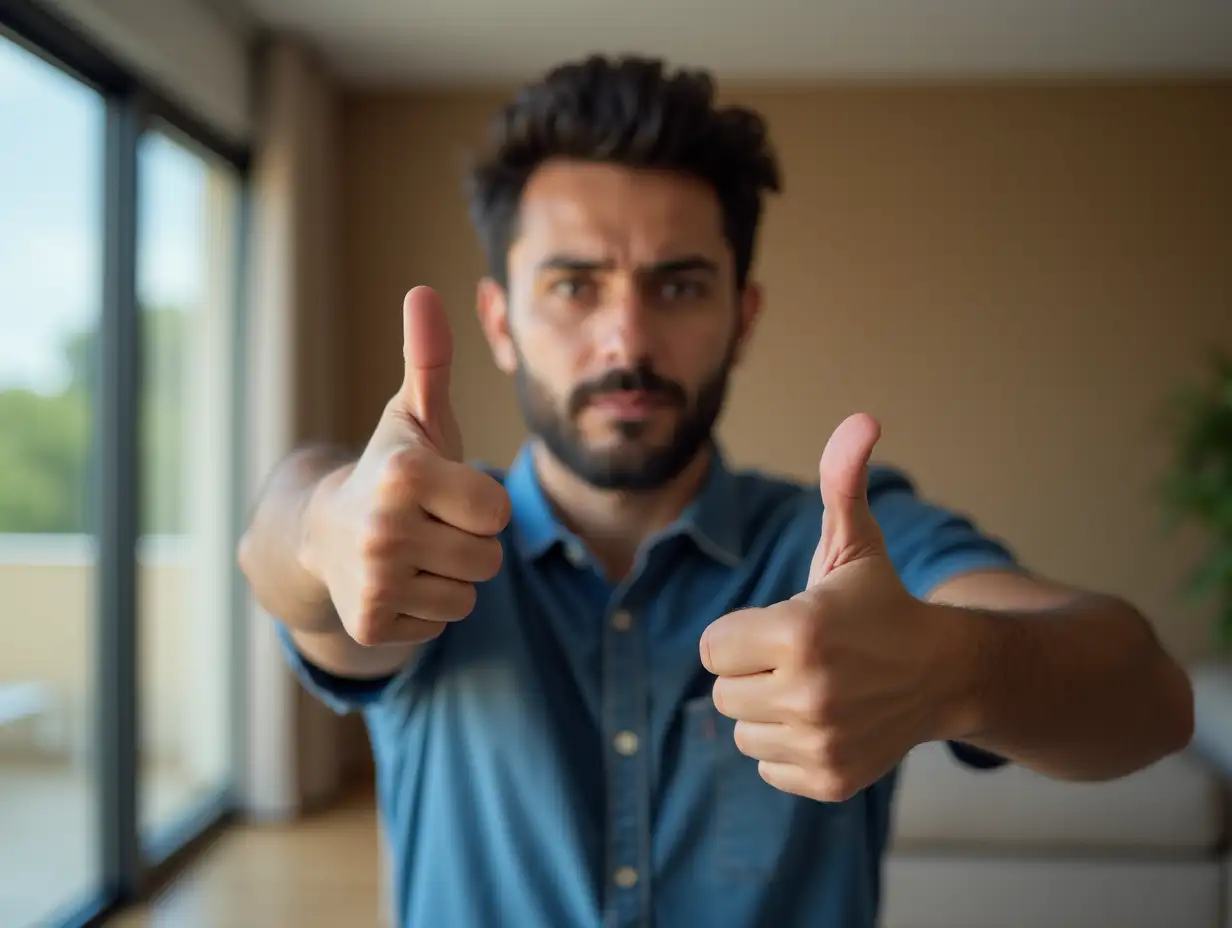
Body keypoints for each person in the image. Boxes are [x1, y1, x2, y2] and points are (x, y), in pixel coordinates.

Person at [238, 55, 1194, 928]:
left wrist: (955, 671)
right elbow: (279, 541)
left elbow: (1151, 697)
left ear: (742, 317)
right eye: (574, 286)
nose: (627, 340)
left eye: (679, 286)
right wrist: (327, 522)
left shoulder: (840, 553)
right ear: (500, 321)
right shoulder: (420, 545)